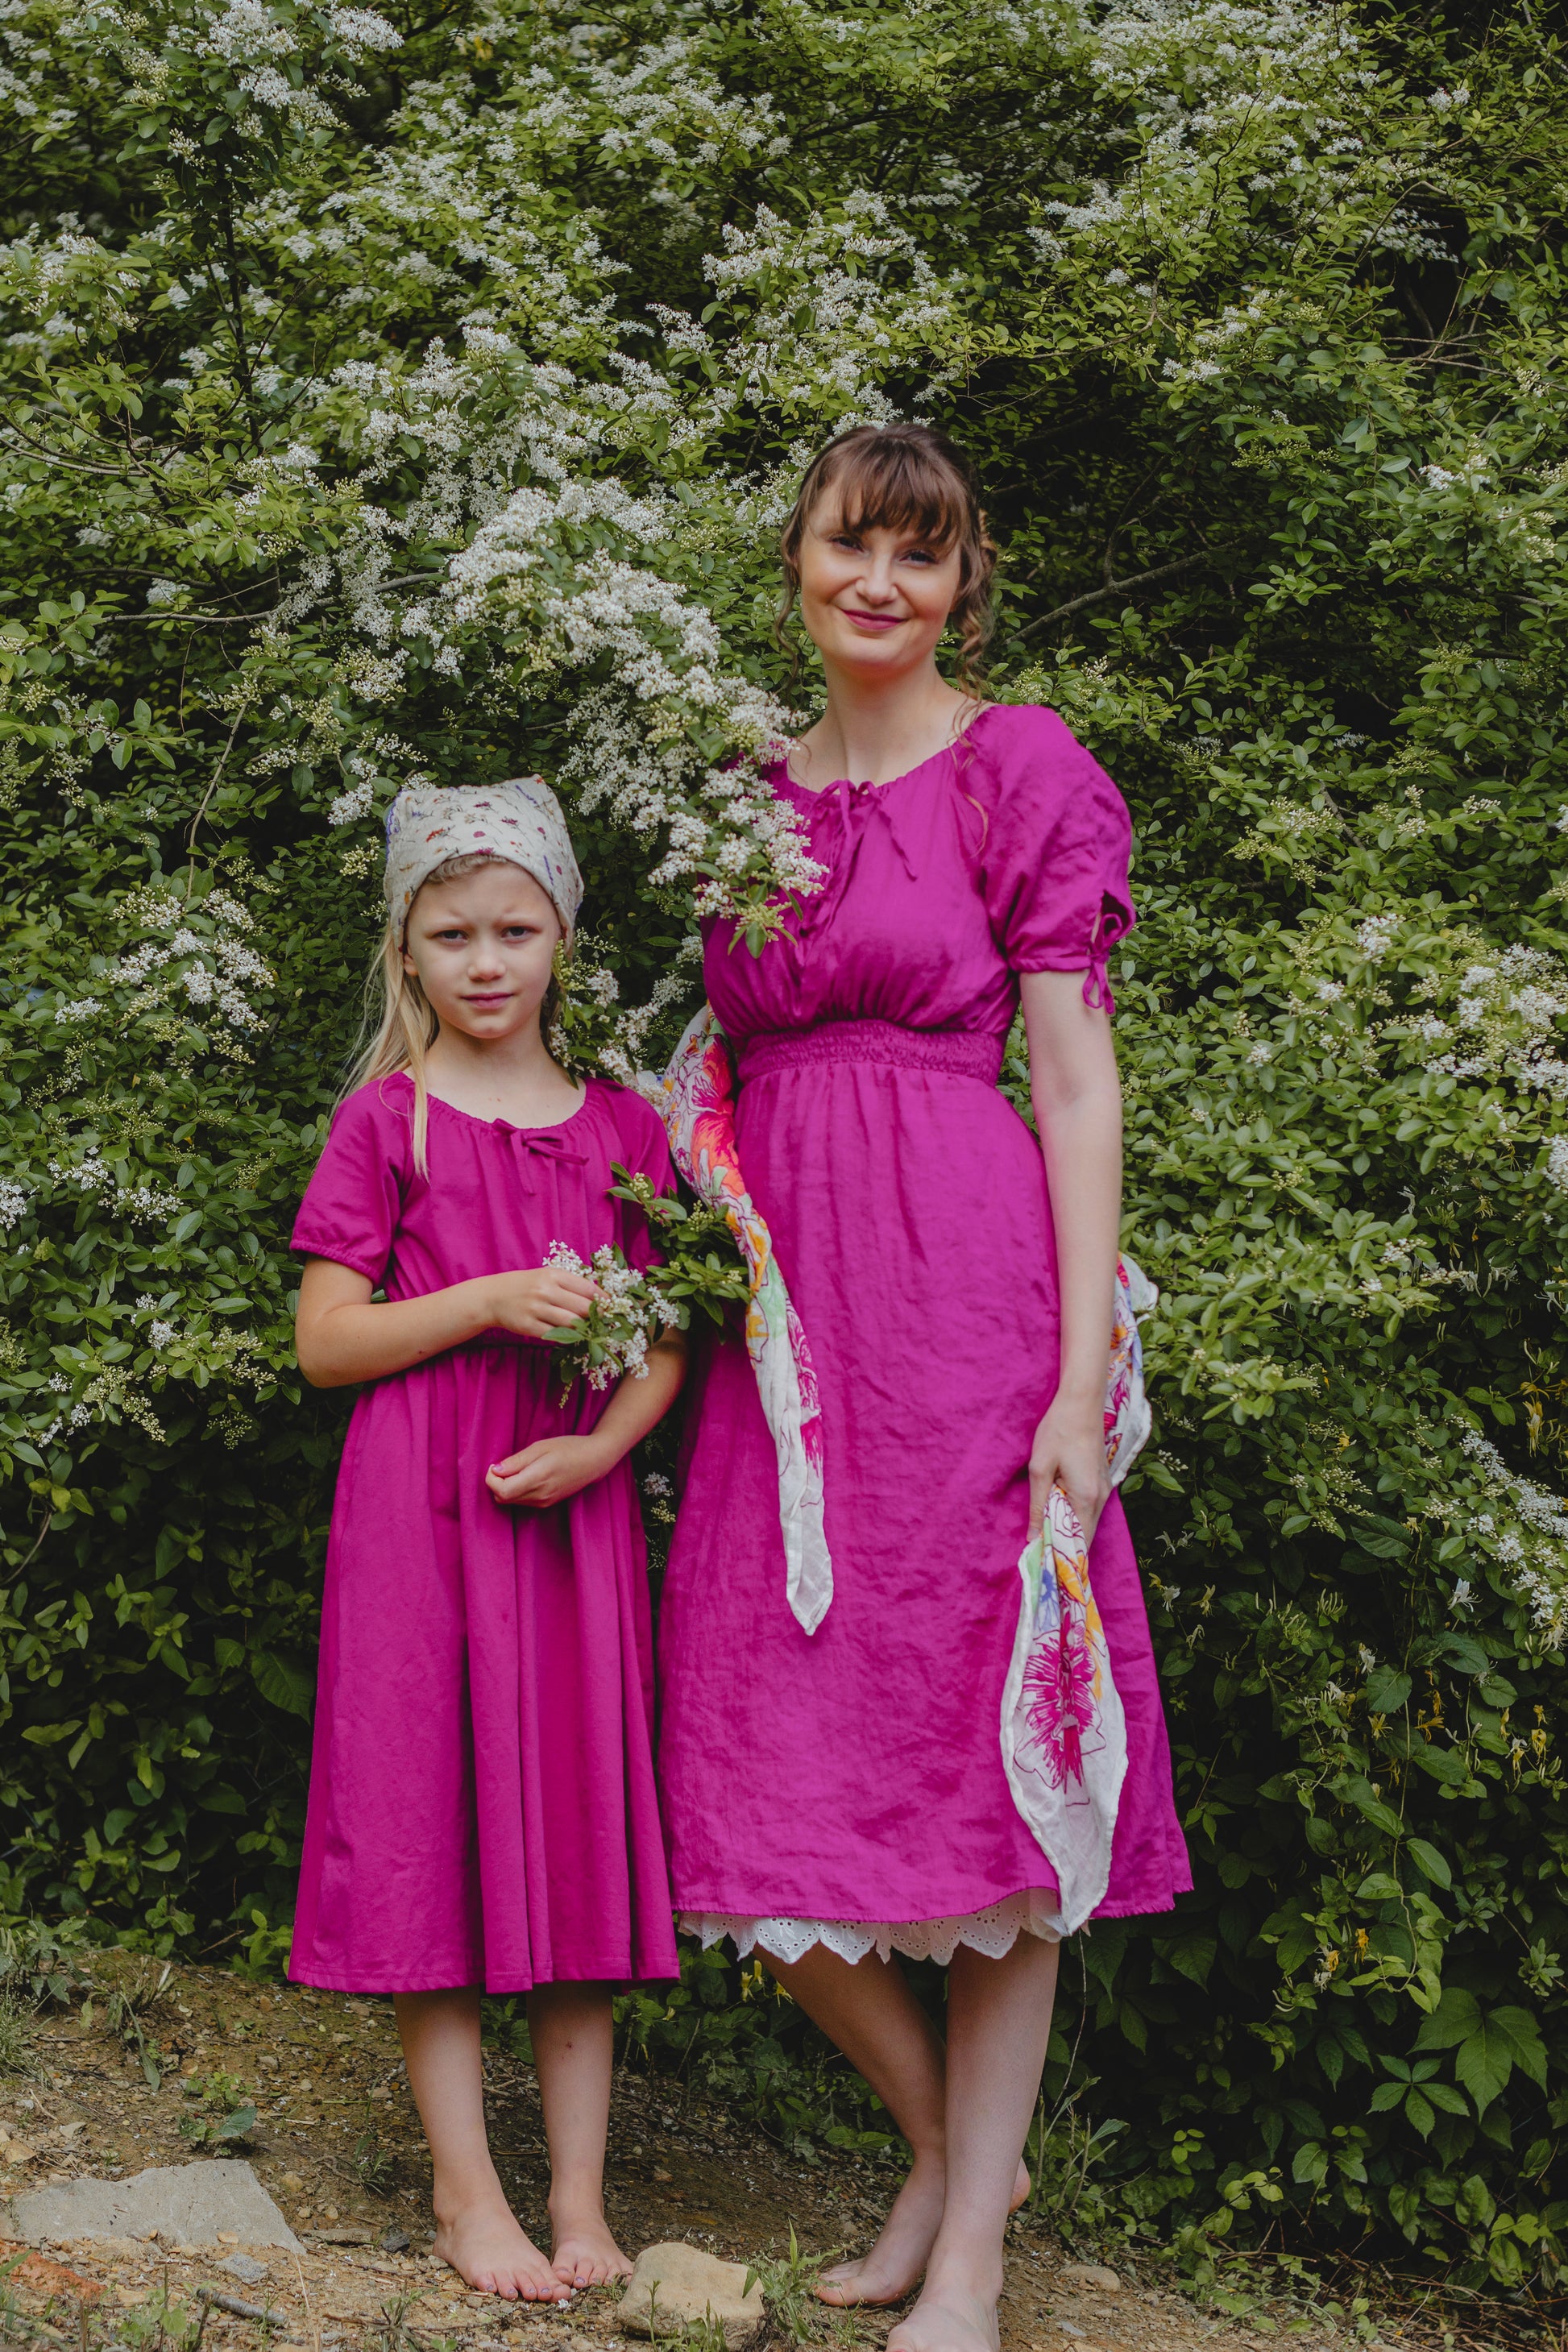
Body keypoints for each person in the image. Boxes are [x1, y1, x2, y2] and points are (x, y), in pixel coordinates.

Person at [656, 424, 1192, 2352]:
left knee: (995, 1762)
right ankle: (961, 2158)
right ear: (793, 560)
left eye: (918, 552)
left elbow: (1071, 1078)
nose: (875, 580)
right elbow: (707, 1073)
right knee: (743, 1763)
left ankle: (963, 2255)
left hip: (969, 1310)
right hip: (792, 1341)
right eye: (843, 543)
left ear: (963, 581)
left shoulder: (1019, 768)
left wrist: (1071, 1372)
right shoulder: (733, 790)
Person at [289, 778, 684, 2300]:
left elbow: (665, 1343)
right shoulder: (385, 1120)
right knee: (425, 1823)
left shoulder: (628, 1128)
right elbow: (327, 1341)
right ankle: (471, 2195)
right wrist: (484, 1301)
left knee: (575, 1825)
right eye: (450, 933)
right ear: (406, 954)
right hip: (415, 1519)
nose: (485, 959)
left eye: (515, 927)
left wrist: (600, 1447)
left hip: (561, 1518)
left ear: (564, 937)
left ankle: (581, 2201)